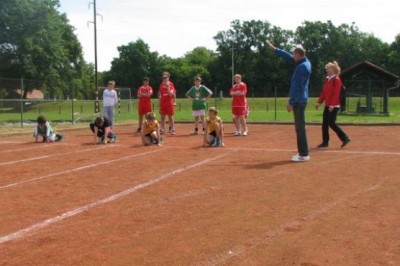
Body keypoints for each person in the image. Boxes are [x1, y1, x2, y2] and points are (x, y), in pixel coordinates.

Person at [267, 41, 311, 162]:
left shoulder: (302, 67)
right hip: (301, 99)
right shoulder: (303, 62)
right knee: (299, 127)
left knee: (300, 128)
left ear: (298, 54)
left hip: (299, 101)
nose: (292, 56)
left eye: (294, 54)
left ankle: (304, 154)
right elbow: (288, 57)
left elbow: (298, 87)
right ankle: (303, 152)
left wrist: (291, 102)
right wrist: (275, 49)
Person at [315, 61, 351, 148]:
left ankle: (345, 138)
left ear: (333, 69)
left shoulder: (337, 80)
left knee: (331, 123)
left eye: (329, 68)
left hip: (334, 105)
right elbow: (324, 92)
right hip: (328, 105)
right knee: (325, 124)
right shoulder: (327, 79)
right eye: (327, 68)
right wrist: (319, 102)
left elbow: (336, 93)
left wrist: (332, 104)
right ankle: (325, 142)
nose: (327, 69)